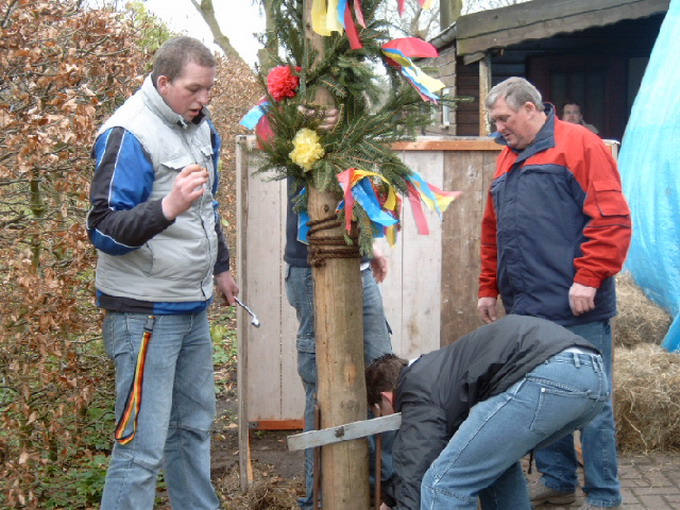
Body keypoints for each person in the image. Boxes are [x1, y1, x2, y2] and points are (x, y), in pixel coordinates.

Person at [87, 36, 238, 510]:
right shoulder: (127, 134)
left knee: (193, 429)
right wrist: (167, 207)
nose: (204, 100)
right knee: (141, 447)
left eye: (209, 90)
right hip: (144, 315)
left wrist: (222, 267)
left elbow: (207, 206)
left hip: (191, 307)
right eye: (195, 90)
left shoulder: (199, 125)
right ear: (164, 81)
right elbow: (104, 229)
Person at [478, 77, 631, 510]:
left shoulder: (580, 144)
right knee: (540, 398)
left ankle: (604, 496)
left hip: (576, 304)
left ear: (531, 109)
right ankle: (559, 483)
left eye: (504, 119)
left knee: (592, 405)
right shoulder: (508, 157)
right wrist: (488, 287)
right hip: (526, 309)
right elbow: (495, 230)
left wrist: (589, 276)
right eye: (495, 120)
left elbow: (611, 218)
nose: (499, 128)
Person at [364, 314, 609, 510]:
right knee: (491, 467)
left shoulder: (416, 386)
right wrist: (393, 498)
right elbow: (438, 453)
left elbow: (419, 461)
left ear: (385, 397)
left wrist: (403, 504)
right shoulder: (439, 370)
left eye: (380, 411)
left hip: (550, 376)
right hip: (592, 376)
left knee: (443, 486)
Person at [284, 184, 395, 508]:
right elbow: (323, 181)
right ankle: (316, 500)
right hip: (315, 264)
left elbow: (360, 184)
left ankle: (382, 494)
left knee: (383, 377)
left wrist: (370, 241)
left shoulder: (359, 134)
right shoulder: (302, 136)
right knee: (322, 388)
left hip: (357, 266)